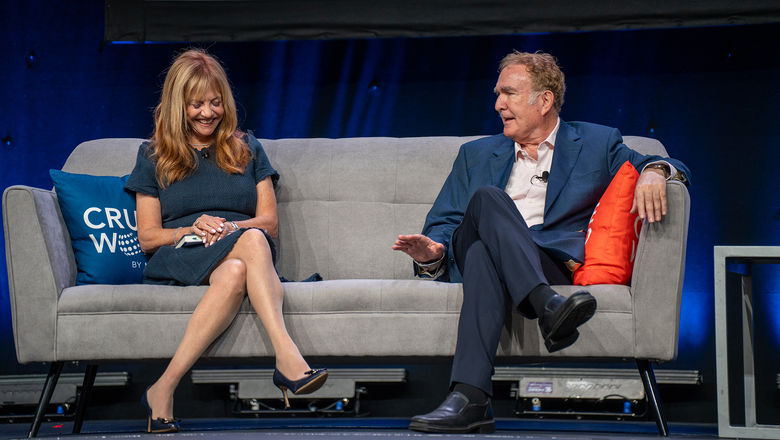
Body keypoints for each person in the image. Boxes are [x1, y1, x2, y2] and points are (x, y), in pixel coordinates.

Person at [393, 51, 690, 434]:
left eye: (509, 94)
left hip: (546, 260)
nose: (498, 104)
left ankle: (471, 398)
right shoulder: (475, 154)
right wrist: (433, 255)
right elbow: (445, 224)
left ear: (544, 100)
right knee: (486, 199)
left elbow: (672, 163)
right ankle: (548, 305)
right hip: (475, 247)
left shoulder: (597, 143)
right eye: (497, 94)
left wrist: (654, 170)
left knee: (486, 254)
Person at [125, 49, 327, 433]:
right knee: (250, 242)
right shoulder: (154, 155)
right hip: (182, 252)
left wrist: (232, 228)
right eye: (196, 104)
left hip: (242, 249)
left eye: (215, 102)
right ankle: (287, 358)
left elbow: (269, 223)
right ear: (176, 105)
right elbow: (148, 237)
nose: (207, 112)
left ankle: (163, 389)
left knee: (239, 264)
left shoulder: (245, 146)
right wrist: (191, 229)